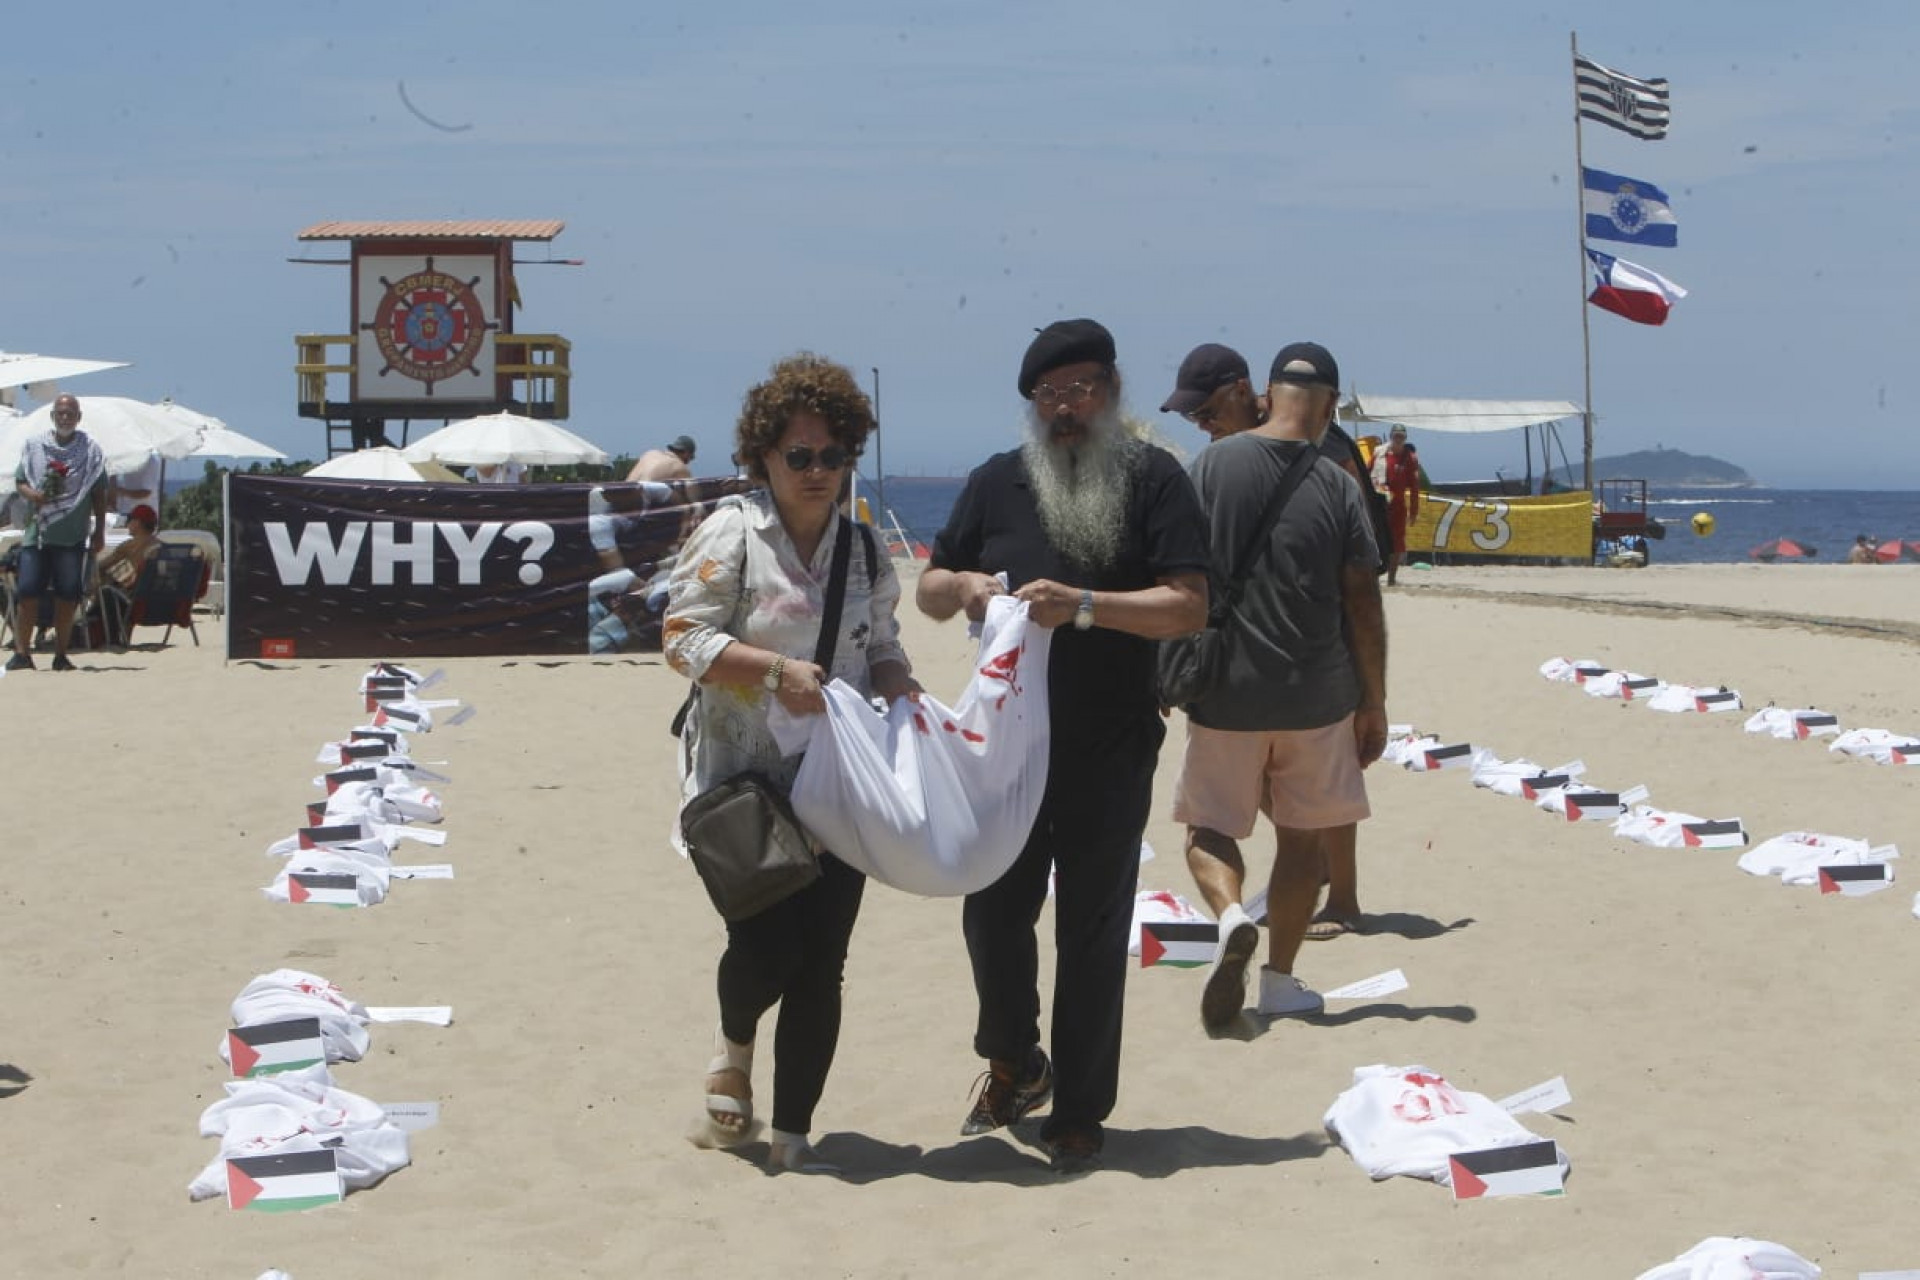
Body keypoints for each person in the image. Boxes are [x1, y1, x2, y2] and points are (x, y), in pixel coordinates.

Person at [917, 318, 1210, 1173]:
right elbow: (932, 587)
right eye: (1049, 396)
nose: (1065, 409)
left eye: (1079, 390)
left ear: (1111, 392)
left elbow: (1187, 604)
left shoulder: (1156, 479)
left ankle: (1081, 1108)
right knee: (993, 912)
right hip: (1003, 745)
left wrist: (1085, 605)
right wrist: (965, 586)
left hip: (1111, 739)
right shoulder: (996, 482)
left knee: (1091, 928)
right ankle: (1015, 1058)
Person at [663, 354, 918, 1173]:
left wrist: (902, 689)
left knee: (825, 962)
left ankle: (794, 1138)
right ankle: (734, 1046)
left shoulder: (866, 550)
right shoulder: (733, 535)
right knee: (768, 948)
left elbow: (881, 644)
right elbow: (681, 639)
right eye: (798, 456)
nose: (817, 472)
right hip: (745, 786)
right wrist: (773, 672)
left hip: (841, 785)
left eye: (833, 456)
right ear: (764, 458)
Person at [1171, 342, 1387, 1027]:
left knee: (1209, 828)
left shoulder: (1211, 466)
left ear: (1267, 394)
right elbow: (1363, 603)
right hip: (1317, 697)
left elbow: (1180, 574)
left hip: (1227, 689)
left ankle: (1233, 913)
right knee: (1301, 842)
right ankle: (1281, 980)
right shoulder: (1338, 482)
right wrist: (1373, 700)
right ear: (1325, 404)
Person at [10, 394, 109, 672]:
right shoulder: (35, 446)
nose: (65, 418)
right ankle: (22, 653)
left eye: (70, 413)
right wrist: (35, 495)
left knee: (67, 596)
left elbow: (99, 494)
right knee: (27, 594)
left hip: (72, 537)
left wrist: (99, 530)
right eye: (60, 413)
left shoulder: (90, 451)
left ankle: (60, 655)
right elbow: (20, 481)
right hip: (37, 534)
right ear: (53, 416)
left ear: (79, 418)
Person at [1369, 425, 1422, 585]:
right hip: (1379, 505)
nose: (1398, 439)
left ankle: (1392, 578)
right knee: (1375, 540)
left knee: (1398, 544)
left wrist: (1413, 511)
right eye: (1396, 436)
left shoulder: (1410, 458)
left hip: (1398, 507)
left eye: (1401, 437)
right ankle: (1374, 576)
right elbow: (1366, 472)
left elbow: (1414, 487)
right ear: (1391, 437)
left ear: (1405, 439)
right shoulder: (1379, 454)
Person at [626, 435, 698, 483]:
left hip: (620, 493)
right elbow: (692, 494)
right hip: (639, 500)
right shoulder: (679, 466)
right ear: (686, 453)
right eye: (690, 458)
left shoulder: (650, 453)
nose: (688, 462)